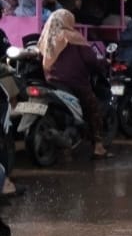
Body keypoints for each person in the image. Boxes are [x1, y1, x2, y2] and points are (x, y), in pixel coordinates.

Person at [37, 8, 112, 158]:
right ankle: (98, 147)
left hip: (51, 81)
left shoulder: (46, 38)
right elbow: (90, 59)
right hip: (75, 82)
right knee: (93, 109)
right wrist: (104, 63)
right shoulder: (73, 37)